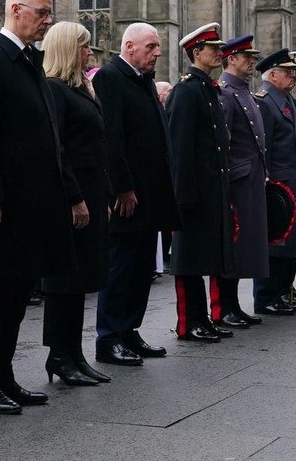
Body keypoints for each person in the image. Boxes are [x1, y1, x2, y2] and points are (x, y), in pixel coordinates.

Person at [0, 0, 76, 415]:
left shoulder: (28, 60)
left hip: (34, 204)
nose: (48, 19)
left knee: (17, 295)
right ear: (15, 10)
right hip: (6, 205)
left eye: (50, 12)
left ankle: (4, 377)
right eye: (42, 12)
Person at [92, 22, 176, 367]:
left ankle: (129, 329)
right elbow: (112, 138)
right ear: (129, 47)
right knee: (121, 266)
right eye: (151, 47)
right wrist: (122, 187)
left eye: (157, 47)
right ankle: (108, 336)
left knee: (142, 266)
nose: (157, 53)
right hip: (128, 195)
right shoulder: (111, 78)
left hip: (150, 193)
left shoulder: (141, 80)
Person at [39, 21, 111, 387]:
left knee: (81, 277)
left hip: (91, 193)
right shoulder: (54, 89)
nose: (90, 53)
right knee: (64, 279)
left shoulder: (80, 88)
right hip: (71, 196)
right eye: (84, 47)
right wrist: (74, 198)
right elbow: (58, 150)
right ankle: (59, 353)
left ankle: (74, 352)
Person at [165, 23, 232, 342]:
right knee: (189, 260)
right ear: (196, 53)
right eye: (213, 49)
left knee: (205, 256)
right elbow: (180, 147)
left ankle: (202, 317)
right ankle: (188, 321)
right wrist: (184, 195)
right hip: (193, 192)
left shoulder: (207, 89)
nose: (219, 53)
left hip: (211, 188)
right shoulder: (187, 90)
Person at [212, 37, 267, 330]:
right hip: (237, 179)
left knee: (244, 245)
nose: (252, 62)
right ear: (231, 59)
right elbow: (223, 142)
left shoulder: (244, 92)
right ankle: (222, 308)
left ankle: (233, 305)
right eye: (246, 56)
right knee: (232, 245)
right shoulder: (225, 92)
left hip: (250, 178)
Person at [252, 49, 296, 315]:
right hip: (277, 182)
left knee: (292, 240)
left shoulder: (285, 100)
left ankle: (284, 291)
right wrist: (267, 182)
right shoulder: (265, 102)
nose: (293, 76)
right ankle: (266, 296)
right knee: (275, 241)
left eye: (294, 72)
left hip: (292, 180)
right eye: (288, 72)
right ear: (272, 75)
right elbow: (264, 147)